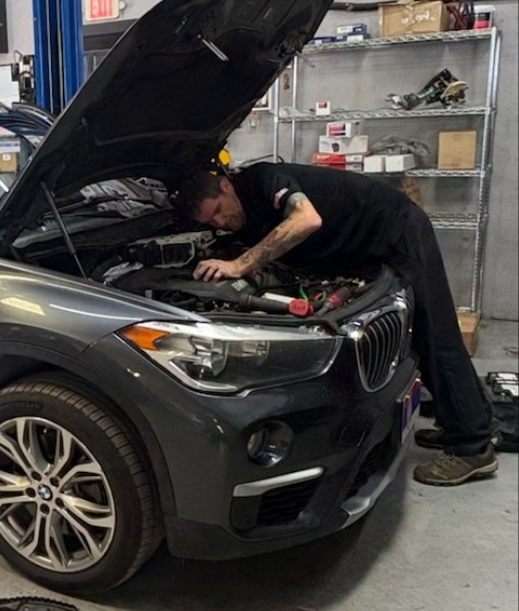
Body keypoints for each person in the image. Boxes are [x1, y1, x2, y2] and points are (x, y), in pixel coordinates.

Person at [176, 161, 497, 486]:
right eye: (211, 221)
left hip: (394, 229)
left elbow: (306, 219)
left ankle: (472, 448)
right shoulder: (239, 219)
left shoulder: (262, 179)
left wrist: (239, 265)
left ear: (227, 186)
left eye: (218, 210)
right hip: (366, 248)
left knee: (434, 335)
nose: (221, 222)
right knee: (422, 336)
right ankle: (472, 422)